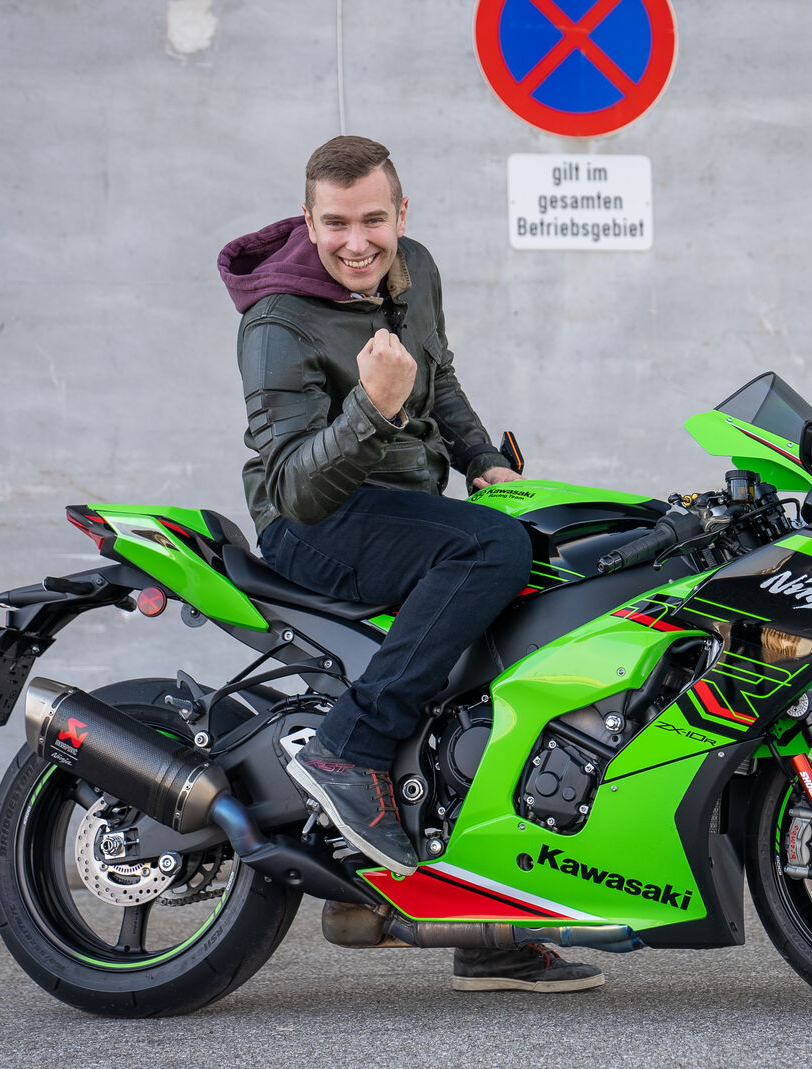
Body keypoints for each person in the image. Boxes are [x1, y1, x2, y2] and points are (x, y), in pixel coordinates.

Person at [217, 135, 602, 993]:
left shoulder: (415, 268)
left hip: (406, 504)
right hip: (315, 522)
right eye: (335, 223)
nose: (356, 242)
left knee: (540, 575)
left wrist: (482, 461)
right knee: (490, 547)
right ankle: (349, 747)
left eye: (373, 220)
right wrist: (372, 409)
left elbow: (442, 377)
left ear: (401, 214)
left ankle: (486, 924)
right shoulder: (276, 324)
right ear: (309, 220)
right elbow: (293, 487)